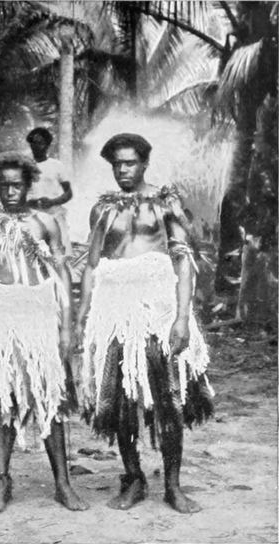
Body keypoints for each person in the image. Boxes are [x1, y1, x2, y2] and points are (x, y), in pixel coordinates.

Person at [77, 133, 212, 513]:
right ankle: (134, 478)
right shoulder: (103, 209)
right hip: (115, 312)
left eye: (130, 163)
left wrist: (181, 318)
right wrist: (84, 316)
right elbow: (92, 265)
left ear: (145, 163)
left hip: (158, 308)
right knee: (122, 400)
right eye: (116, 164)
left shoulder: (165, 204)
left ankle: (172, 485)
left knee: (169, 398)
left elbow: (182, 260)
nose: (123, 170)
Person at [0, 152, 87, 513]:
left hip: (39, 313)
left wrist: (67, 326)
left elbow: (61, 273)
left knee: (50, 397)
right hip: (0, 312)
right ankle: (1, 480)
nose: (11, 192)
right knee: (1, 397)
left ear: (29, 184)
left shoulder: (45, 222)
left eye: (17, 185)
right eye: (4, 186)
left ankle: (62, 482)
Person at [25, 128, 73, 239]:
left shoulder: (56, 165)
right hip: (32, 214)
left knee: (61, 244)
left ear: (47, 145)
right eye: (33, 143)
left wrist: (52, 202)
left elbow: (68, 193)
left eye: (40, 143)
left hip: (54, 213)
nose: (36, 147)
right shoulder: (25, 166)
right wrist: (32, 202)